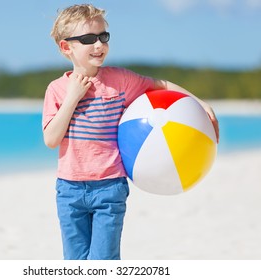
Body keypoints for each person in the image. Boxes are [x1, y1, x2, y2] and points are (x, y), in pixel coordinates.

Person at [42, 4, 219, 260]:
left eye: (103, 36)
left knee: (104, 262)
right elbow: (51, 139)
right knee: (75, 264)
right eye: (88, 39)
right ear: (66, 47)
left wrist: (200, 103)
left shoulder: (120, 81)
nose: (99, 45)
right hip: (69, 189)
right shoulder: (57, 90)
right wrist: (72, 98)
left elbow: (160, 85)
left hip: (109, 187)